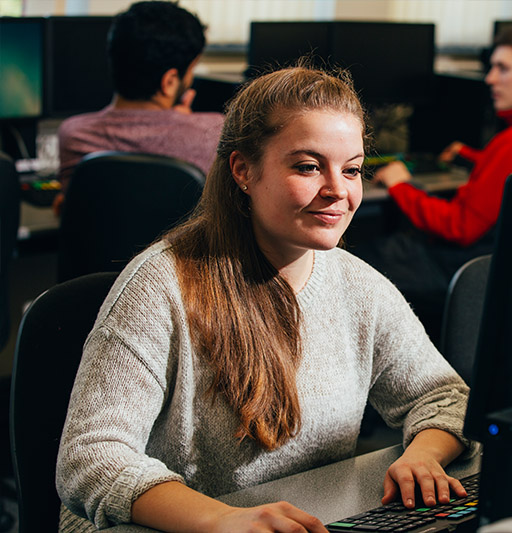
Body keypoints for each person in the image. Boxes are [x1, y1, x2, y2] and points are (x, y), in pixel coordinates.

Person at [55, 65, 474, 533]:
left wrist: (423, 455)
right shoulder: (160, 285)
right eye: (308, 166)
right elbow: (91, 457)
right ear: (243, 170)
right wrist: (222, 520)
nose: (339, 190)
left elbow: (442, 395)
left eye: (352, 169)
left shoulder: (361, 287)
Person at [355, 24, 512, 343]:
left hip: (461, 265)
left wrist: (400, 186)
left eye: (502, 68)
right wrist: (475, 158)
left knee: (354, 257)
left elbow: (459, 227)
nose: (490, 78)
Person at [53, 1, 224, 214]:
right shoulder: (214, 131)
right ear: (169, 81)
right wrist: (187, 123)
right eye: (191, 70)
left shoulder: (74, 134)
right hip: (179, 249)